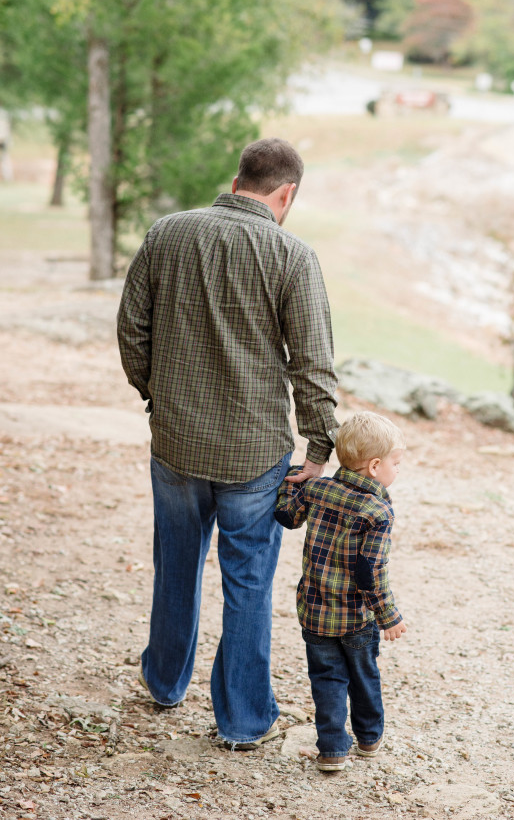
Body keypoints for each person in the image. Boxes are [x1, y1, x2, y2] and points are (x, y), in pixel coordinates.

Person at [117, 137, 338, 749]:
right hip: (253, 454)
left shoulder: (168, 232)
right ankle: (243, 721)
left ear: (239, 177)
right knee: (248, 584)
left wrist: (156, 396)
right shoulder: (294, 256)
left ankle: (164, 682)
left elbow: (132, 327)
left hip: (177, 442)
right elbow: (313, 366)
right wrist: (319, 449)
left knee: (175, 566)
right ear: (285, 193)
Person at [275, 410, 407, 772]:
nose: (398, 470)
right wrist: (388, 616)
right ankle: (368, 739)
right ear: (376, 466)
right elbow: (370, 570)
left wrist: (293, 480)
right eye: (397, 463)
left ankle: (332, 749)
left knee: (327, 680)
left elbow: (286, 517)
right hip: (355, 619)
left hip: (315, 612)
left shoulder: (316, 489)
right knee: (364, 677)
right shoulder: (378, 510)